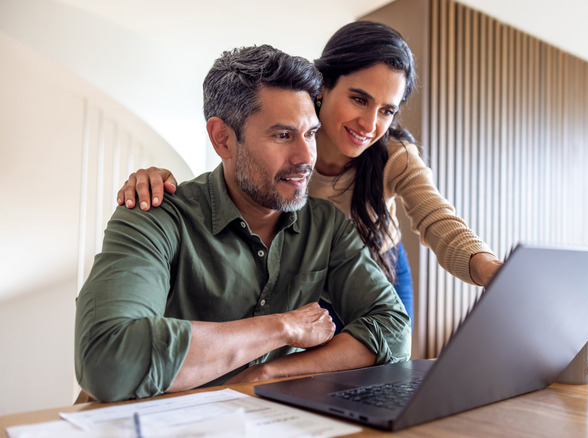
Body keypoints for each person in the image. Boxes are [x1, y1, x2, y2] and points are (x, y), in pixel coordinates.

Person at [75, 44, 410, 403]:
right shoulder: (153, 214)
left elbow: (393, 331)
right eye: (282, 135)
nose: (305, 157)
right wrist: (282, 328)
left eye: (310, 133)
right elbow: (108, 360)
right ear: (223, 138)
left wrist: (268, 373)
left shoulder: (327, 226)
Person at [117, 21, 503, 329]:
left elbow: (438, 219)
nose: (370, 124)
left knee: (385, 367)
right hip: (306, 273)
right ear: (322, 88)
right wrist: (156, 179)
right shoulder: (285, 148)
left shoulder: (393, 155)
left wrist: (493, 272)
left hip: (378, 264)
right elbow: (237, 174)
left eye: (387, 110)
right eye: (359, 99)